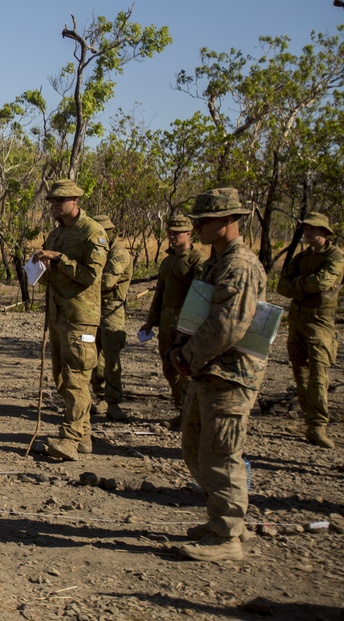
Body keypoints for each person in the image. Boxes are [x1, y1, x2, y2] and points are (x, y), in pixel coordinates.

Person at [169, 187, 267, 562]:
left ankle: (227, 535)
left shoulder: (239, 265)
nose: (198, 228)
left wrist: (188, 356)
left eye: (205, 222)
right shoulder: (217, 261)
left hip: (229, 375)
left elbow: (228, 326)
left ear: (229, 221)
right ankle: (221, 523)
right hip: (206, 372)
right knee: (195, 448)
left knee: (221, 454)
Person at [31, 179, 107, 461]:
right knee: (62, 378)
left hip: (81, 318)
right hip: (58, 315)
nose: (55, 205)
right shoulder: (54, 234)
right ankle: (83, 433)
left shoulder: (92, 232)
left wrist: (59, 258)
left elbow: (90, 275)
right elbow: (53, 273)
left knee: (77, 377)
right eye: (52, 201)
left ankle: (70, 438)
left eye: (60, 200)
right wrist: (41, 267)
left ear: (75, 200)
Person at [276, 212, 343, 449]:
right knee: (299, 371)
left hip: (320, 321)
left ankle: (318, 425)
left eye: (313, 229)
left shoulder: (335, 256)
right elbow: (281, 286)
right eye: (306, 229)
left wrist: (300, 285)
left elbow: (323, 283)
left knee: (319, 374)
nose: (308, 232)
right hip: (297, 319)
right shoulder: (301, 257)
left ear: (325, 232)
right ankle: (309, 420)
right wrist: (306, 285)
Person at [139, 214, 207, 430]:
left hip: (186, 320)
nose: (173, 236)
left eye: (178, 232)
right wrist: (150, 322)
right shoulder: (167, 261)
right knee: (169, 367)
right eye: (170, 232)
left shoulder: (197, 259)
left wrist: (192, 324)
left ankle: (191, 415)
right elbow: (160, 292)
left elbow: (200, 295)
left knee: (184, 367)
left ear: (189, 234)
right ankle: (182, 409)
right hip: (167, 319)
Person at [90, 215, 132, 422]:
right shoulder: (97, 251)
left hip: (112, 312)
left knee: (111, 357)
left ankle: (113, 401)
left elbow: (105, 281)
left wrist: (84, 278)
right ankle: (100, 396)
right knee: (92, 355)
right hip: (93, 309)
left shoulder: (119, 254)